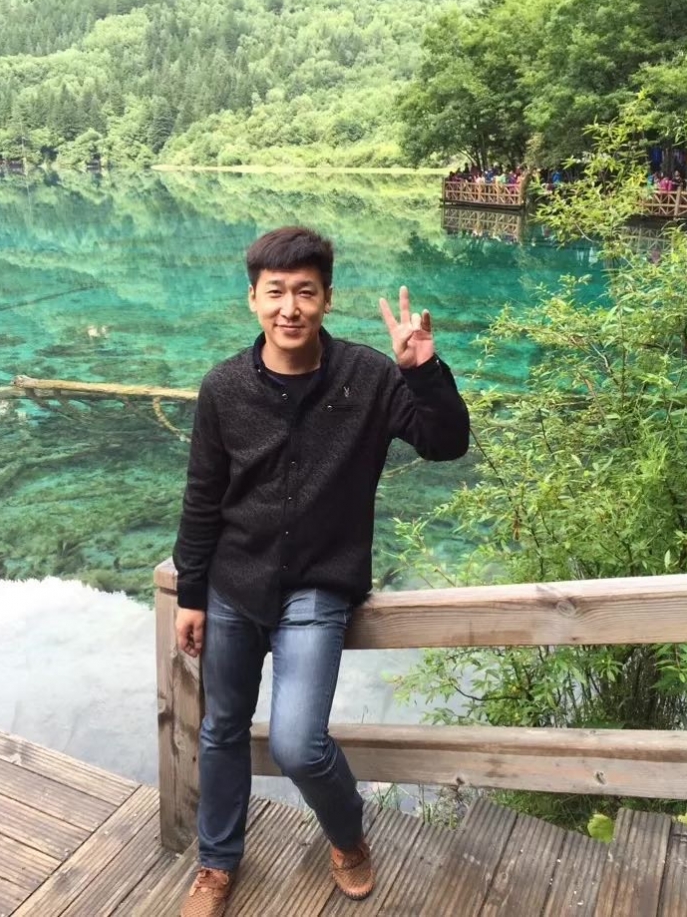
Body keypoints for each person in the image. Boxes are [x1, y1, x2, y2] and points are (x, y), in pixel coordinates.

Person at [172, 227, 470, 917]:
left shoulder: (369, 376)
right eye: (275, 292)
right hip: (233, 585)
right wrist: (191, 593)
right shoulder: (223, 388)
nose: (290, 308)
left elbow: (446, 443)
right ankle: (216, 863)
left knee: (299, 744)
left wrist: (423, 370)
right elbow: (202, 498)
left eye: (305, 292)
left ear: (327, 298)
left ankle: (347, 834)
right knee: (221, 728)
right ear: (253, 299)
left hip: (318, 587)